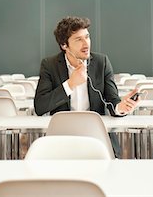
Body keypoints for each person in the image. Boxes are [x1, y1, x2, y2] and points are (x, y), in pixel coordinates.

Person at [34, 16, 140, 157]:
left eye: (87, 37)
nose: (86, 44)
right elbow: (40, 107)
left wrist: (121, 107)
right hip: (62, 138)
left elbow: (112, 99)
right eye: (79, 39)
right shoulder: (50, 65)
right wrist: (70, 84)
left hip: (96, 137)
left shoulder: (101, 62)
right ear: (64, 45)